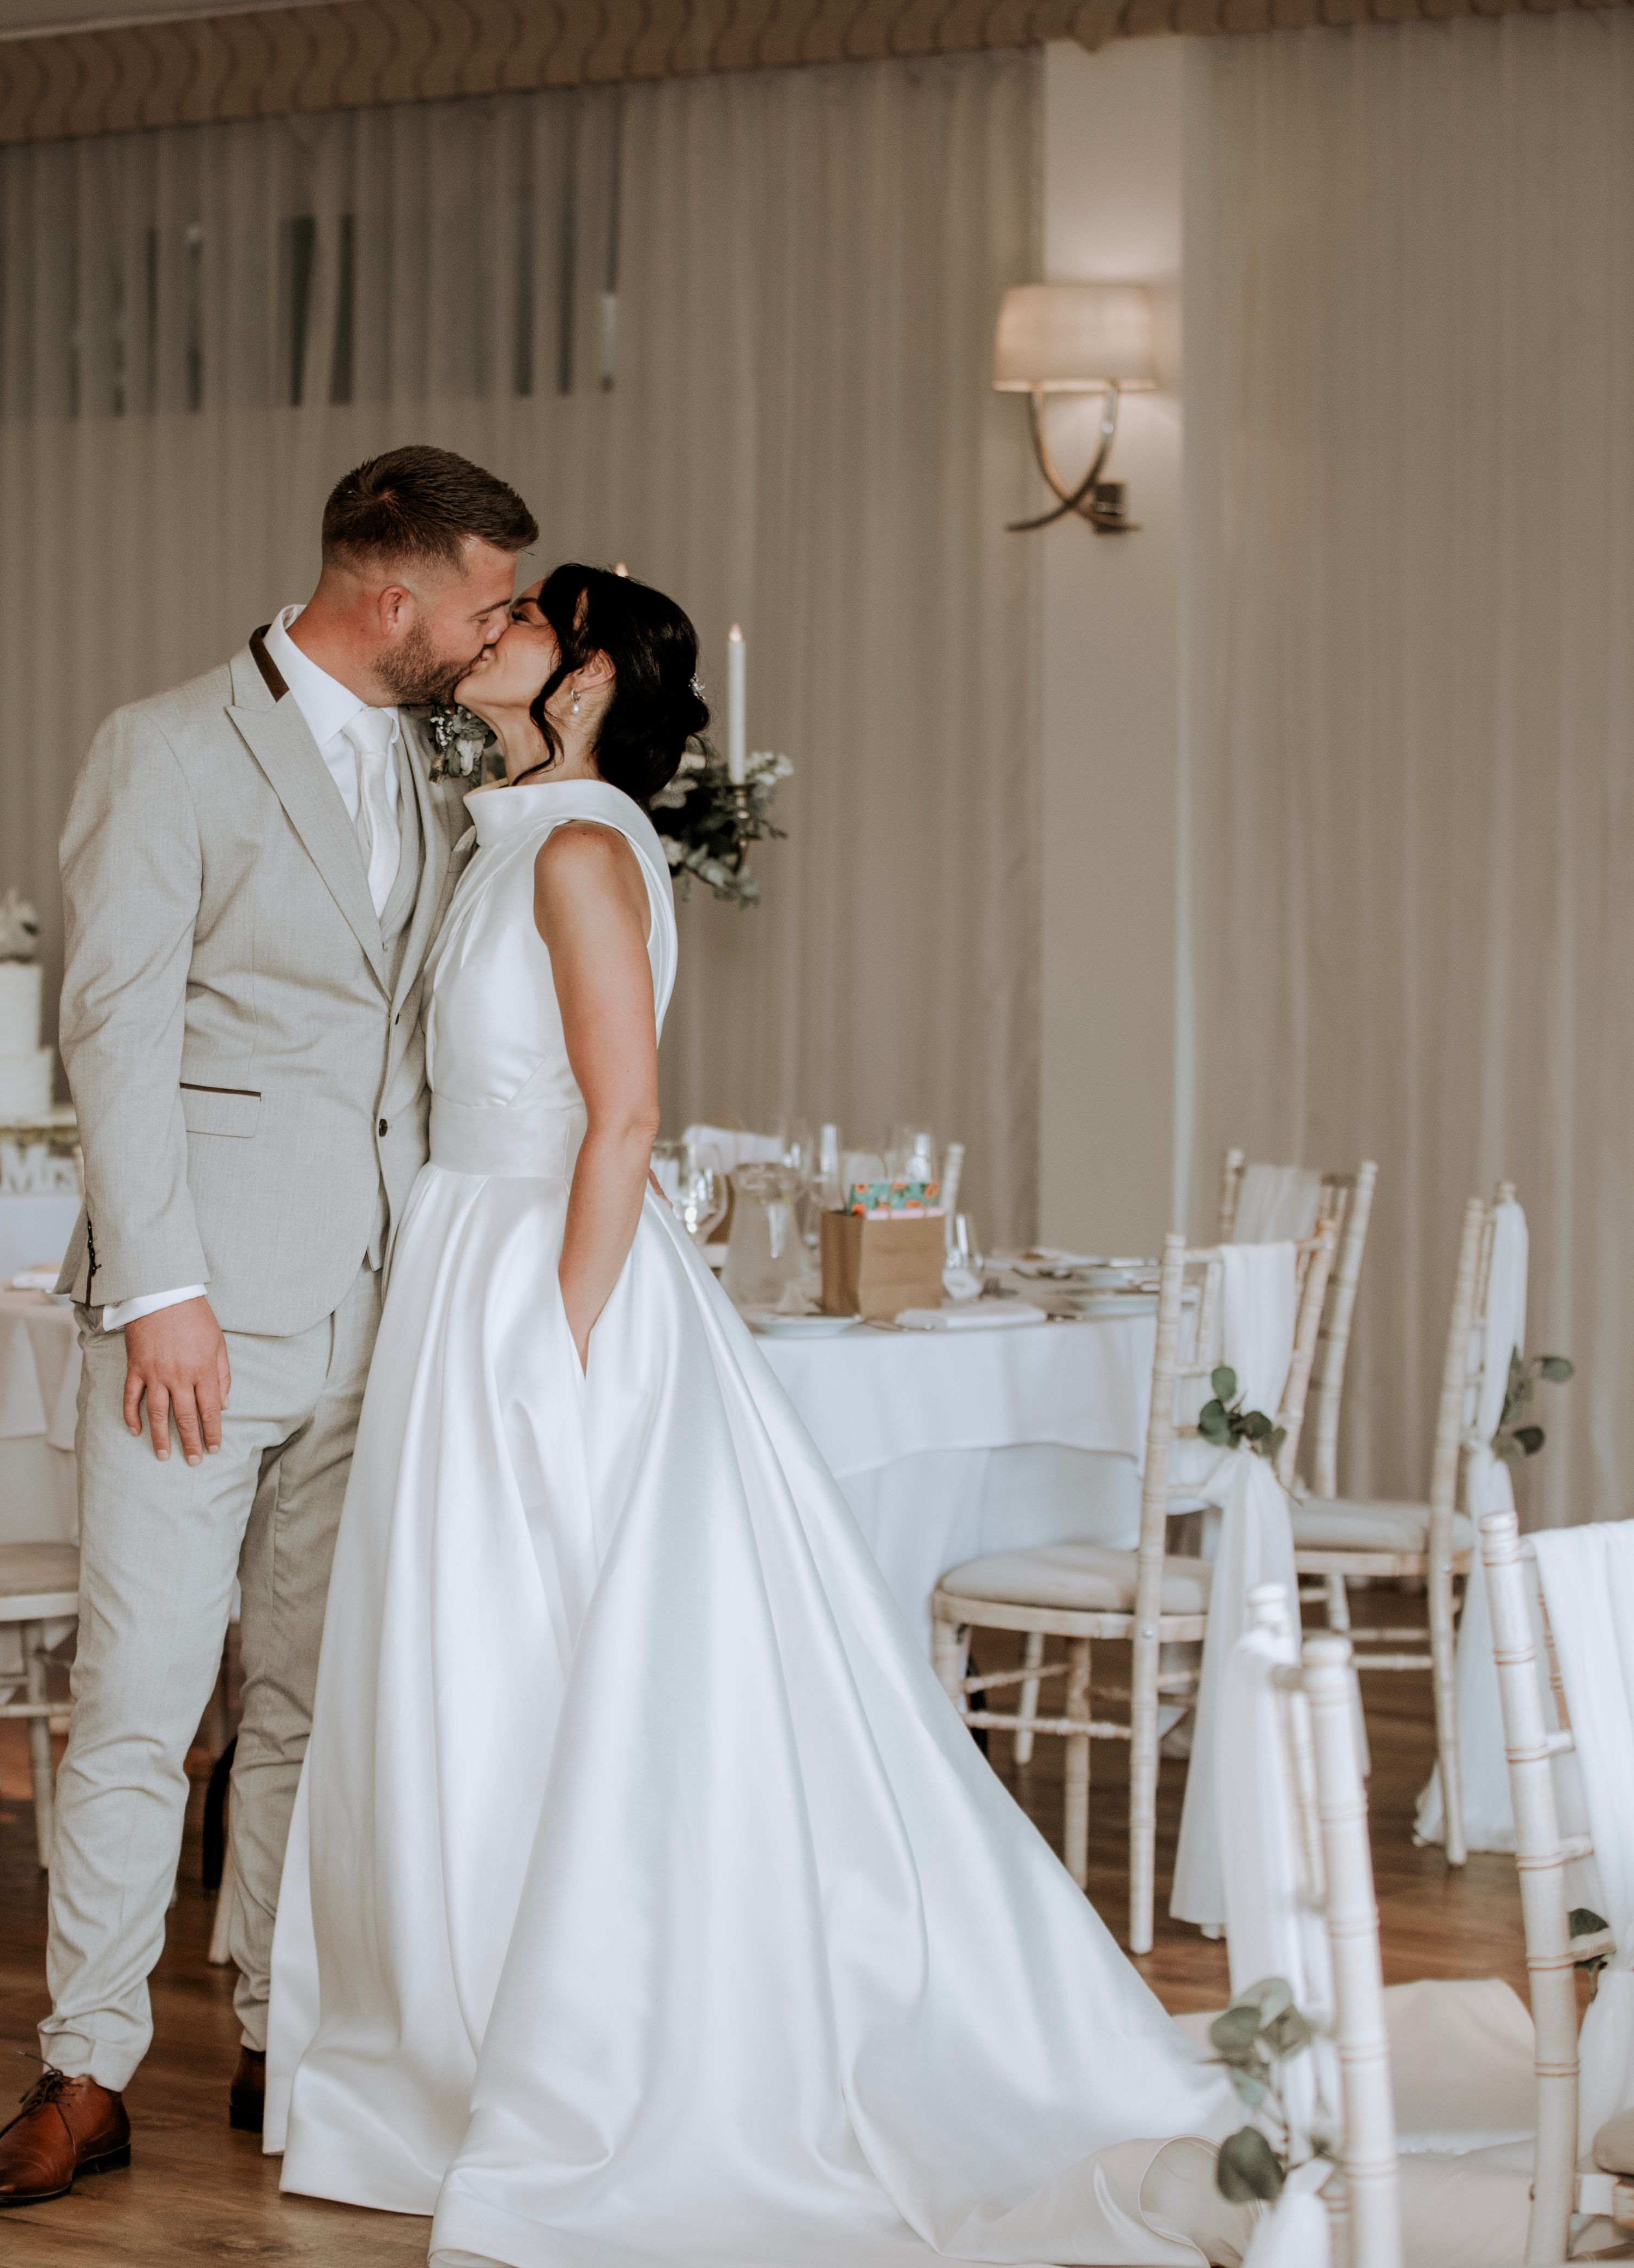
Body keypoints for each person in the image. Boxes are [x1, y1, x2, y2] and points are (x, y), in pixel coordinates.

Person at [263, 565, 1252, 2266]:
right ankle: (444, 2047)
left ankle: (574, 2057)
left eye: (525, 621)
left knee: (542, 1664)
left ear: (578, 684)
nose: (486, 630)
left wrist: (556, 1345)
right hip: (470, 1264)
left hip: (543, 1288)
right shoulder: (514, 834)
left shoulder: (577, 852)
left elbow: (626, 1119)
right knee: (471, 1669)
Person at [0, 445, 538, 2208]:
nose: (502, 628)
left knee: (307, 1698)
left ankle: (279, 2020)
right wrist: (161, 1296)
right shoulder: (164, 749)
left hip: (387, 1307)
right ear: (394, 600)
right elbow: (114, 1035)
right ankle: (84, 2065)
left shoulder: (445, 771)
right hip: (199, 1321)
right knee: (144, 1698)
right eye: (490, 603)